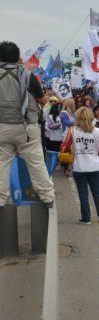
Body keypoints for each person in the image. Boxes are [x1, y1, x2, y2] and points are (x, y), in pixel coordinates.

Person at [0, 41, 56, 212]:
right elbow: (40, 100)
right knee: (36, 162)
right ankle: (47, 197)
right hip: (26, 126)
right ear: (18, 58)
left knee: (2, 163)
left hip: (2, 126)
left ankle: (0, 200)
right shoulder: (27, 74)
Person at [61, 107, 99, 224]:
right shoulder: (97, 131)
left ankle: (86, 219)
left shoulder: (73, 131)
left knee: (83, 193)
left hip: (79, 166)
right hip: (94, 166)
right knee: (97, 192)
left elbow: (64, 147)